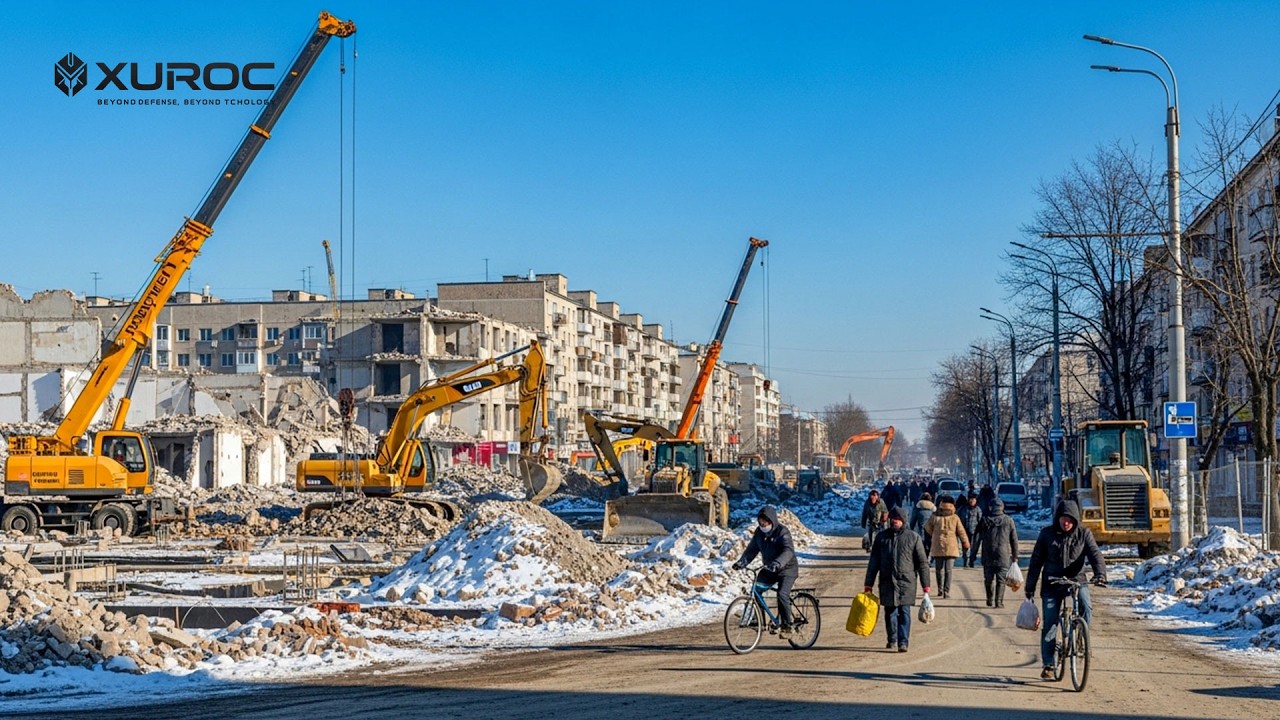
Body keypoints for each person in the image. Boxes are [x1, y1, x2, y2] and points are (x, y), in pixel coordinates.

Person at [1025, 499, 1106, 680]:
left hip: (1076, 580)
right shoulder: (1047, 534)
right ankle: (1048, 664)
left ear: (1076, 519)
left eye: (1070, 519)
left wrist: (1100, 574)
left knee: (1086, 607)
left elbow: (1095, 555)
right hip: (1052, 583)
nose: (1066, 522)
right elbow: (1036, 561)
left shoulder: (1084, 534)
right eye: (1063, 518)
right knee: (1051, 623)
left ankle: (1080, 638)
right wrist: (1029, 587)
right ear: (1058, 518)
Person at [864, 506, 930, 652]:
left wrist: (926, 586)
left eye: (898, 519)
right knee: (890, 612)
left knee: (904, 612)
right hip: (887, 581)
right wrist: (868, 583)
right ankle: (892, 639)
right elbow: (874, 562)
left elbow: (922, 563)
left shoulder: (913, 537)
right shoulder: (882, 537)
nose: (895, 522)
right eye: (893, 519)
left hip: (906, 581)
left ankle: (903, 642)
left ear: (904, 521)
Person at [732, 506, 800, 638]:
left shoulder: (782, 532)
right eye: (761, 522)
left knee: (782, 594)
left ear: (772, 521)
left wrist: (778, 563)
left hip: (787, 570)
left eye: (766, 522)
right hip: (770, 569)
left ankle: (787, 626)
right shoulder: (759, 533)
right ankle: (759, 621)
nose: (763, 525)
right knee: (756, 589)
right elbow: (752, 550)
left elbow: (788, 551)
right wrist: (742, 562)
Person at [973, 498, 1019, 607]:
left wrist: (973, 554)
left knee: (988, 579)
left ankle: (989, 599)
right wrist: (1015, 555)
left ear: (990, 507)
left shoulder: (984, 520)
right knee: (1001, 580)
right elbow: (1014, 540)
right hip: (1003, 555)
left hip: (987, 554)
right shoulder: (1008, 520)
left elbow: (976, 539)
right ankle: (998, 602)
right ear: (1002, 507)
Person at [923, 495, 969, 599]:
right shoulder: (955, 517)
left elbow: (927, 528)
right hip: (951, 546)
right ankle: (946, 591)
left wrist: (935, 535)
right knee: (949, 570)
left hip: (937, 545)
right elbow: (961, 531)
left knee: (939, 569)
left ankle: (939, 589)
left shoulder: (935, 516)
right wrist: (965, 542)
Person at [957, 494, 984, 568]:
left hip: (975, 532)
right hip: (964, 531)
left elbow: (981, 520)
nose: (972, 501)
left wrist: (980, 530)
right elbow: (958, 519)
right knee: (965, 546)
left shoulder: (978, 509)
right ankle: (965, 560)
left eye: (973, 499)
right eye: (970, 499)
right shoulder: (963, 509)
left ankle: (972, 560)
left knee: (974, 547)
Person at [909, 491, 936, 557]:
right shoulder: (933, 509)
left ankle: (923, 558)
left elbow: (913, 520)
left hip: (921, 530)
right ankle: (929, 558)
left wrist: (911, 528)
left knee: (921, 544)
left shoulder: (918, 508)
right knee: (930, 544)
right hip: (932, 530)